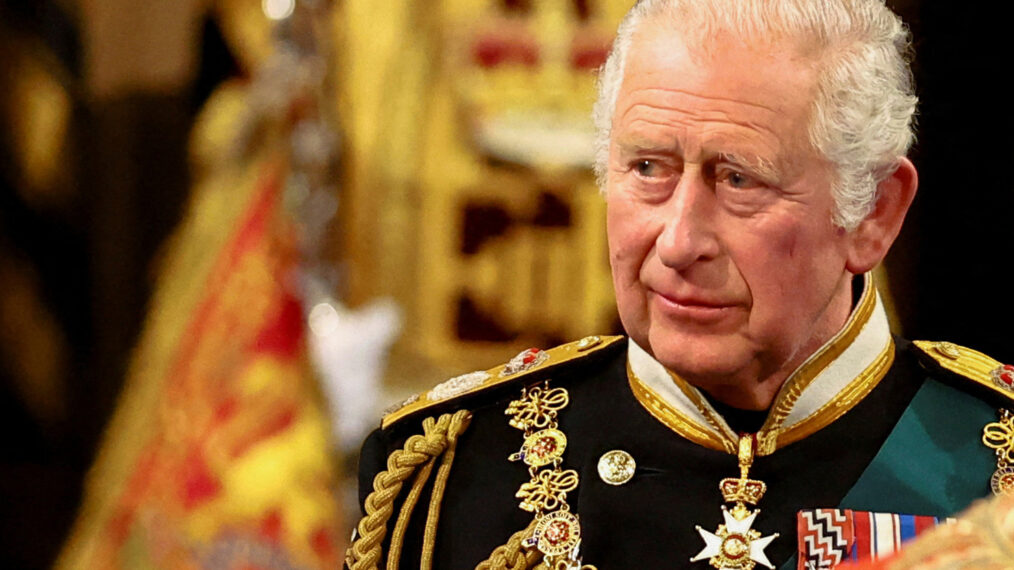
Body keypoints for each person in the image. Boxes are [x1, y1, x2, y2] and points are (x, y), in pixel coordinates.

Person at [345, 1, 1014, 569]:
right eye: (647, 168)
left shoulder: (996, 464)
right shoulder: (449, 476)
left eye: (739, 179)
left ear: (873, 213)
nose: (678, 241)